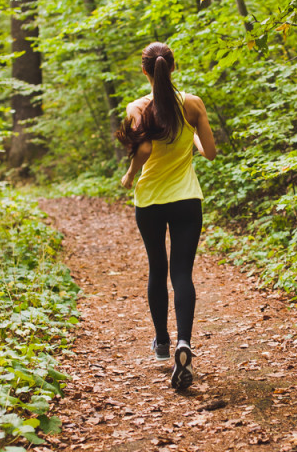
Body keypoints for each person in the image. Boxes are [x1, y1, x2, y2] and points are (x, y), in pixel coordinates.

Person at [115, 42, 216, 390]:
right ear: (172, 67)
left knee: (157, 269)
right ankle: (184, 342)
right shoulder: (192, 104)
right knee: (182, 273)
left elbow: (143, 148)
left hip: (152, 201)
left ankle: (161, 342)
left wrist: (130, 175)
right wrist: (196, 144)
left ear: (145, 71)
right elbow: (211, 152)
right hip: (187, 199)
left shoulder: (138, 108)